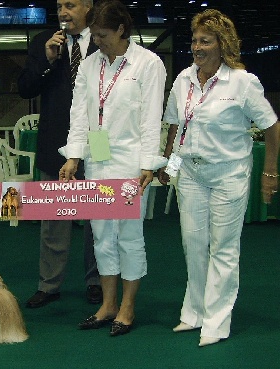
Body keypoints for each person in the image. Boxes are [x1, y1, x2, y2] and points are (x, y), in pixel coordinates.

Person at [158, 9, 280, 346]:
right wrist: (168, 166)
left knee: (223, 249)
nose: (197, 47)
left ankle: (216, 320)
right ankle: (194, 312)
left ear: (221, 45)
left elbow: (271, 126)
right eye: (195, 40)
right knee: (193, 244)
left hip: (229, 175)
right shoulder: (183, 80)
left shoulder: (243, 82)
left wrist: (270, 172)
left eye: (205, 41)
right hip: (192, 175)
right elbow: (174, 126)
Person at [59, 0, 167, 336]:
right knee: (101, 235)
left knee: (129, 237)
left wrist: (148, 163)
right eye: (94, 34)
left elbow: (151, 119)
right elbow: (79, 114)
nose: (97, 41)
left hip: (131, 162)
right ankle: (107, 304)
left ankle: (128, 307)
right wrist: (73, 157)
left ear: (122, 29)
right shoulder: (89, 65)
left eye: (103, 35)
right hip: (97, 159)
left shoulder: (149, 64)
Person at [18, 0, 102, 308]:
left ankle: (97, 280)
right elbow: (25, 88)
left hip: (99, 141)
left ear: (88, 6)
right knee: (53, 219)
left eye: (70, 5)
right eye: (59, 6)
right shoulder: (44, 42)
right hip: (56, 141)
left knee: (99, 219)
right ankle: (49, 285)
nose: (63, 12)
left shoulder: (104, 38)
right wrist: (48, 59)